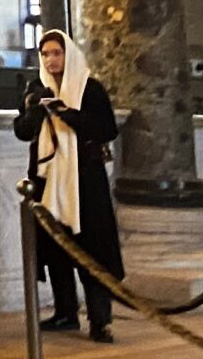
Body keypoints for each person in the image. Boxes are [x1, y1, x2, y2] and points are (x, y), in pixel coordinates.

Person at [13, 27, 123, 341]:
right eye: (45, 54)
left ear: (68, 55)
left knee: (92, 248)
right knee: (55, 245)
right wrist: (37, 109)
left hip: (85, 178)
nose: (50, 60)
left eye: (56, 53)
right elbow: (22, 130)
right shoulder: (36, 88)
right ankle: (65, 313)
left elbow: (106, 129)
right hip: (48, 179)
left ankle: (100, 320)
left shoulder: (90, 88)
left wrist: (67, 114)